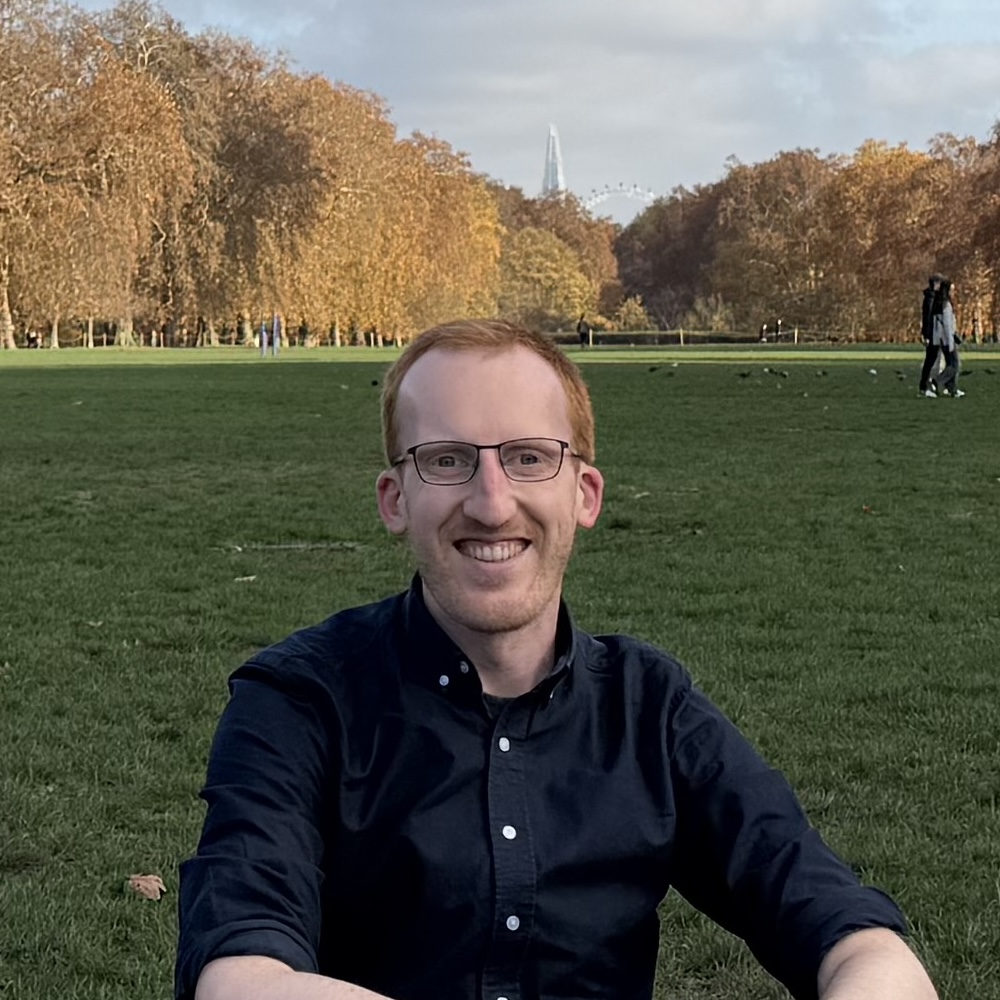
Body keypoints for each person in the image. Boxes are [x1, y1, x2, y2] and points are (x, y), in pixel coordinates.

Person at [176, 319, 938, 1000]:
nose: (492, 501)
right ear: (394, 498)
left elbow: (850, 932)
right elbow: (241, 971)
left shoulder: (649, 709)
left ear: (586, 493)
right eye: (447, 460)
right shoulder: (299, 701)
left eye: (530, 457)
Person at [928, 280, 964, 398]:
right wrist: (950, 342)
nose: (954, 292)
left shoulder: (937, 304)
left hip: (940, 338)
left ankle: (952, 389)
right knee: (954, 365)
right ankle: (938, 381)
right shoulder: (946, 305)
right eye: (952, 290)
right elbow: (948, 325)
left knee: (950, 363)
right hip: (947, 339)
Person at [918, 274, 943, 396]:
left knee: (931, 359)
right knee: (931, 360)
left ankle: (926, 384)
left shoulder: (930, 297)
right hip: (933, 333)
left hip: (932, 332)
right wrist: (927, 334)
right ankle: (926, 385)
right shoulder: (931, 299)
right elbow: (927, 318)